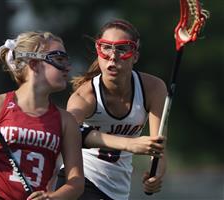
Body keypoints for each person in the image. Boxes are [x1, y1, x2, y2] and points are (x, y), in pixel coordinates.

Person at [0, 31, 84, 200]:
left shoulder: (66, 121)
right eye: (59, 59)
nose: (68, 67)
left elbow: (76, 182)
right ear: (35, 64)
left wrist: (52, 198)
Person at [56, 19, 167, 199]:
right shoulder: (84, 96)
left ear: (135, 56)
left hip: (118, 191)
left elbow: (159, 146)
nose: (113, 57)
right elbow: (69, 132)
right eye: (106, 48)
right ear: (98, 52)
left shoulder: (153, 88)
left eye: (122, 49)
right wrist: (129, 144)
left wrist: (157, 173)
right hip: (83, 182)